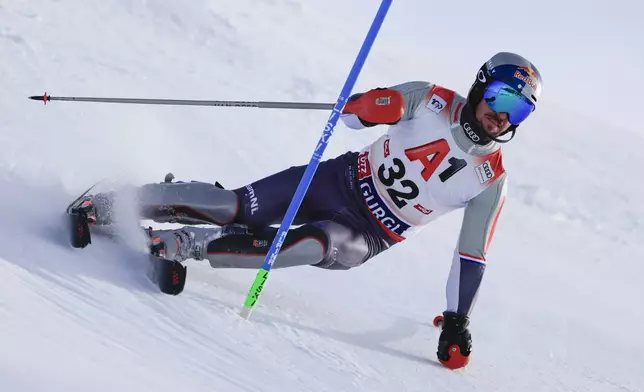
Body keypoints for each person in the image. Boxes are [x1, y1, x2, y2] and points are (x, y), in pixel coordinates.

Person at [84, 52, 543, 369]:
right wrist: (369, 108)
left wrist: (457, 320)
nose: (503, 117)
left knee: (308, 244)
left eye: (519, 111)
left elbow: (471, 255)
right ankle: (116, 201)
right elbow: (350, 117)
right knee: (235, 206)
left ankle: (184, 244)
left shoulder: (491, 179)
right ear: (482, 86)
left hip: (367, 233)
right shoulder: (432, 99)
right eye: (503, 98)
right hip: (336, 180)